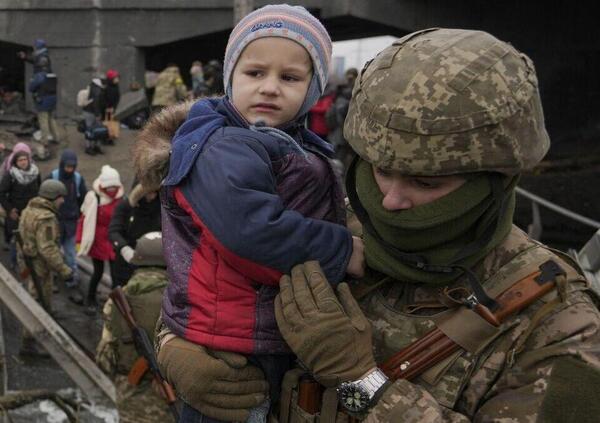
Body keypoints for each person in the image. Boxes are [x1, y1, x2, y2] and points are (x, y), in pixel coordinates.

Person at [154, 28, 600, 423]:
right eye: (379, 171)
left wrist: (363, 383)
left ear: (496, 182)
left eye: (426, 182)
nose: (390, 200)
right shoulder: (335, 226)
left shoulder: (557, 321)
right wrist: (173, 346)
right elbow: (210, 270)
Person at [133, 4, 364, 421]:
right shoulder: (225, 145)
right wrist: (343, 250)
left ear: (313, 89)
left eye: (290, 77)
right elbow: (250, 232)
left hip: (260, 333)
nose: (270, 88)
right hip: (229, 345)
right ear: (229, 77)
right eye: (255, 73)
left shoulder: (291, 144)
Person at [95, 231, 171, 422]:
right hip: (168, 398)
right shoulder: (178, 301)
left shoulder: (117, 302)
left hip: (129, 397)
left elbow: (104, 358)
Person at [17, 179, 73, 355]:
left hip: (29, 263)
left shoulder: (29, 210)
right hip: (39, 267)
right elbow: (47, 248)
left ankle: (34, 335)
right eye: (60, 197)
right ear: (52, 198)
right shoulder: (46, 218)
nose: (62, 201)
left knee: (35, 298)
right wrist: (64, 269)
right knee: (38, 303)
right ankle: (29, 343)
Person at [76, 165, 124, 314]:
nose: (111, 190)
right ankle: (90, 299)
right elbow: (84, 220)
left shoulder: (120, 198)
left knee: (116, 274)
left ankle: (117, 303)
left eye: (114, 187)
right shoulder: (94, 197)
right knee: (98, 272)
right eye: (108, 187)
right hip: (97, 240)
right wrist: (79, 240)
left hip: (113, 239)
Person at [46, 149, 88, 296]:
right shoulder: (53, 177)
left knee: (70, 253)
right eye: (67, 166)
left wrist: (80, 214)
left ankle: (71, 278)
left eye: (72, 166)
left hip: (71, 222)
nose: (69, 169)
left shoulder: (77, 179)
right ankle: (52, 278)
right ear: (62, 165)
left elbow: (83, 198)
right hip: (54, 222)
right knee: (53, 251)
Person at [108, 182, 161, 287]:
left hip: (152, 264)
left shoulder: (161, 209)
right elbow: (114, 230)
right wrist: (124, 248)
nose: (152, 196)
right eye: (148, 193)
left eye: (155, 193)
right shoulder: (125, 207)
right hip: (126, 262)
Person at [0, 143, 41, 268]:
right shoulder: (10, 175)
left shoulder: (35, 173)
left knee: (33, 237)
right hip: (16, 213)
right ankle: (15, 262)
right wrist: (9, 209)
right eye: (20, 160)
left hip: (32, 212)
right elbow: (1, 193)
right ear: (15, 162)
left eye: (25, 159)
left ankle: (31, 262)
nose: (23, 162)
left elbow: (39, 189)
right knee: (16, 239)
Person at [326, 68, 357, 170]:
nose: (350, 79)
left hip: (345, 133)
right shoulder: (343, 92)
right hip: (344, 133)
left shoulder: (340, 92)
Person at [82, 77, 106, 155]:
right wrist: (97, 114)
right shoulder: (97, 90)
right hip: (92, 112)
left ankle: (91, 146)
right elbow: (96, 103)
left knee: (91, 129)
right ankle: (90, 147)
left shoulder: (92, 86)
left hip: (88, 111)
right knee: (92, 129)